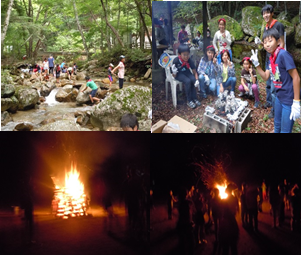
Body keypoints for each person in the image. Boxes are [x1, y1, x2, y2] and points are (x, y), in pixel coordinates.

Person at [250, 28, 300, 133]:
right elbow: (265, 77)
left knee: (285, 131)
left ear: (278, 41)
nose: (267, 44)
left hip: (288, 99)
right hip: (279, 97)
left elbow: (296, 77)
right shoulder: (271, 58)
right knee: (277, 126)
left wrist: (296, 102)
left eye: (270, 41)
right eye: (265, 42)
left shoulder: (283, 55)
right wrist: (257, 65)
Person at [258, 4, 285, 119]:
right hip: (269, 58)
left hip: (276, 59)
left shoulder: (278, 25)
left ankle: (275, 109)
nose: (266, 15)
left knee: (275, 86)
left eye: (268, 12)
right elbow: (267, 42)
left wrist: (278, 58)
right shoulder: (266, 28)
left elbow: (282, 43)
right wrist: (261, 43)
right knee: (268, 83)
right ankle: (269, 102)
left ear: (272, 13)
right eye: (264, 13)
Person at [171, 44, 201, 109]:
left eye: (187, 54)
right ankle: (189, 100)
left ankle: (195, 98)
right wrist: (174, 72)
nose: (186, 56)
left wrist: (196, 79)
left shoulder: (189, 60)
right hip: (179, 74)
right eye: (184, 55)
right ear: (179, 54)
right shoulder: (176, 61)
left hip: (187, 72)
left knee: (193, 80)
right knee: (188, 81)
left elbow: (194, 71)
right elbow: (174, 75)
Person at [219, 186, 239, 255]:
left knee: (225, 247)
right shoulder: (234, 198)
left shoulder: (224, 200)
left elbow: (221, 209)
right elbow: (236, 208)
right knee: (233, 246)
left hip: (226, 220)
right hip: (231, 220)